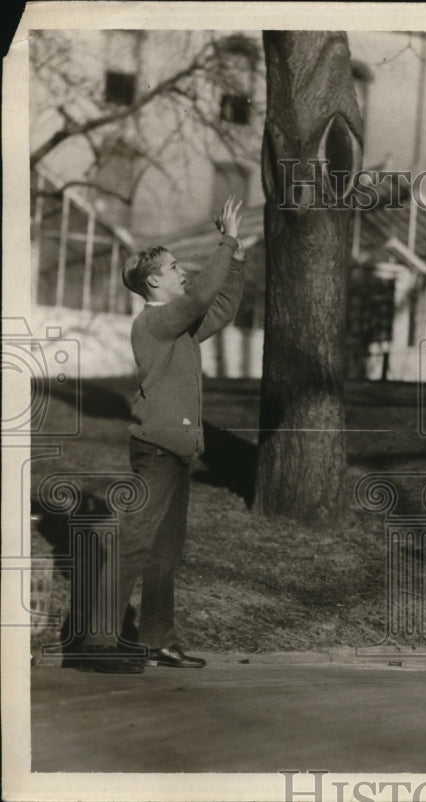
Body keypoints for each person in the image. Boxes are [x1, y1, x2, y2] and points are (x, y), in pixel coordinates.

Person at [77, 196, 246, 674]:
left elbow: (223, 308)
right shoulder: (155, 323)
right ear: (153, 280)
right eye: (173, 268)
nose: (182, 273)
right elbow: (198, 299)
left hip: (178, 451)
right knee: (134, 542)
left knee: (165, 553)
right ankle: (99, 643)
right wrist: (225, 241)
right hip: (155, 451)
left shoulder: (181, 330)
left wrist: (238, 259)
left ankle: (157, 640)